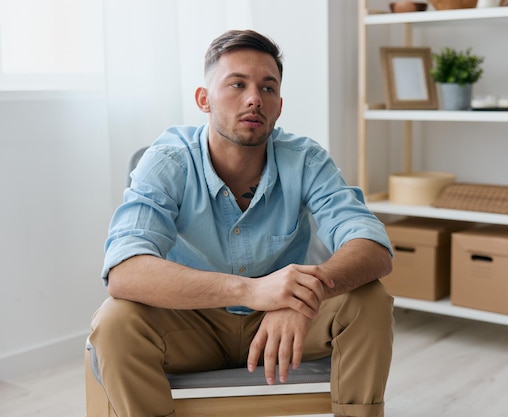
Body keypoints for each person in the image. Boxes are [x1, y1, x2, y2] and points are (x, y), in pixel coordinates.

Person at [89, 29, 394, 417]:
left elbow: (373, 248)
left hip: (282, 327)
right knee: (116, 320)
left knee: (369, 299)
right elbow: (125, 272)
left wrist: (302, 295)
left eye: (268, 88)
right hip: (189, 326)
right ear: (204, 100)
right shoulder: (167, 160)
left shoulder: (305, 160)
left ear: (279, 106)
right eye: (237, 84)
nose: (254, 99)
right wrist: (252, 291)